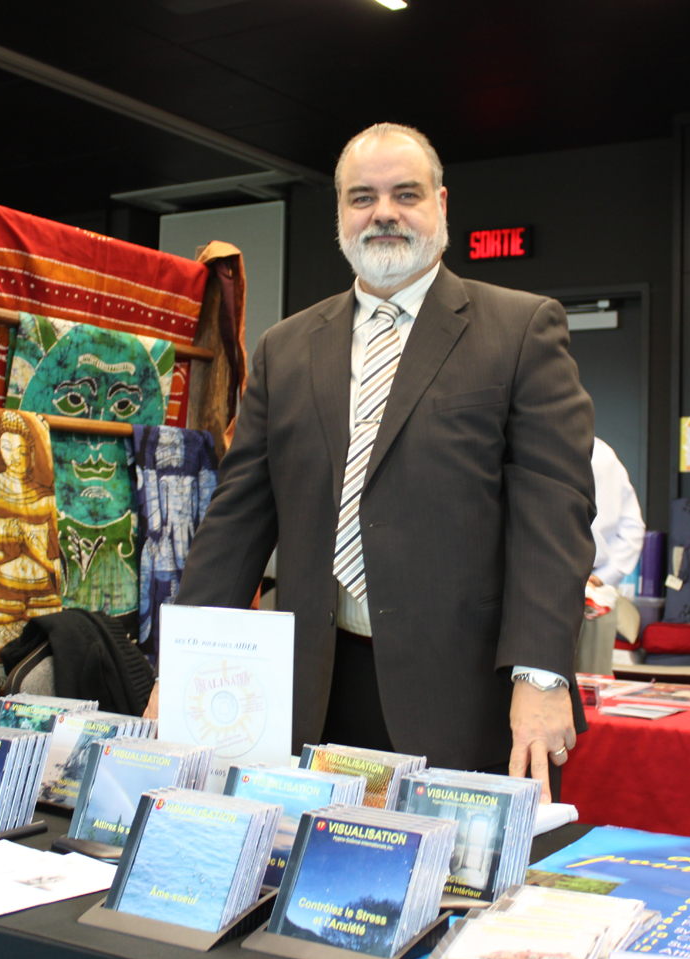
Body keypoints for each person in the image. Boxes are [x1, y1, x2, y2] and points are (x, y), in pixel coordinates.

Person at [174, 123, 594, 800]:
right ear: (340, 214)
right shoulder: (285, 350)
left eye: (406, 193)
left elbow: (555, 516)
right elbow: (235, 524)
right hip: (314, 694)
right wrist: (182, 673)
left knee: (467, 903)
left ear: (442, 206)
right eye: (362, 197)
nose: (384, 213)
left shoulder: (520, 330)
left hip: (470, 701)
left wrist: (541, 677)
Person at [588, 438, 645, 588]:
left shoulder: (603, 453)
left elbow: (632, 527)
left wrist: (604, 576)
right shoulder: (602, 451)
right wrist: (605, 575)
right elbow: (632, 527)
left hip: (540, 577)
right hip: (592, 581)